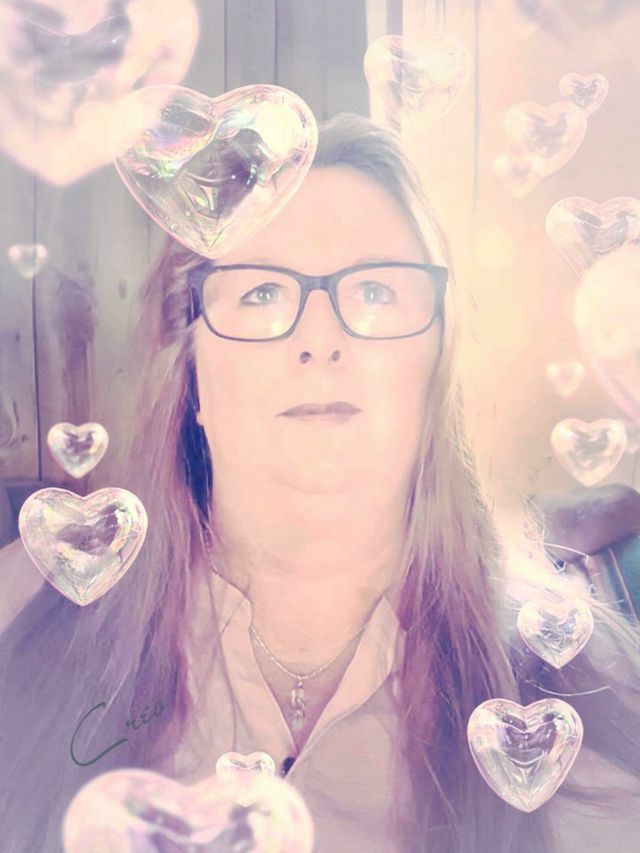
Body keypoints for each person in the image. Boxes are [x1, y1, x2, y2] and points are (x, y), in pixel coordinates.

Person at [1, 112, 639, 853]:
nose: (320, 339)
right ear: (192, 373)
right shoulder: (24, 608)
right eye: (262, 293)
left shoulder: (586, 694)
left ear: (436, 363)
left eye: (375, 291)